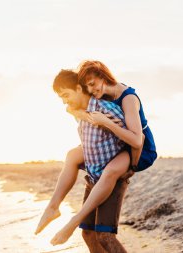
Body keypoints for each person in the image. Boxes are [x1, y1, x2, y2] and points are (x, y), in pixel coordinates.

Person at [38, 69, 133, 252]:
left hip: (111, 179)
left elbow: (134, 135)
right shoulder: (78, 110)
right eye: (61, 98)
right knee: (88, 234)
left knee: (105, 237)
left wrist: (132, 163)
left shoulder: (105, 109)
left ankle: (57, 211)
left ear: (79, 88)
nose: (65, 101)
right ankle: (52, 207)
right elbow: (70, 108)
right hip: (93, 177)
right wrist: (76, 110)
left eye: (67, 95)